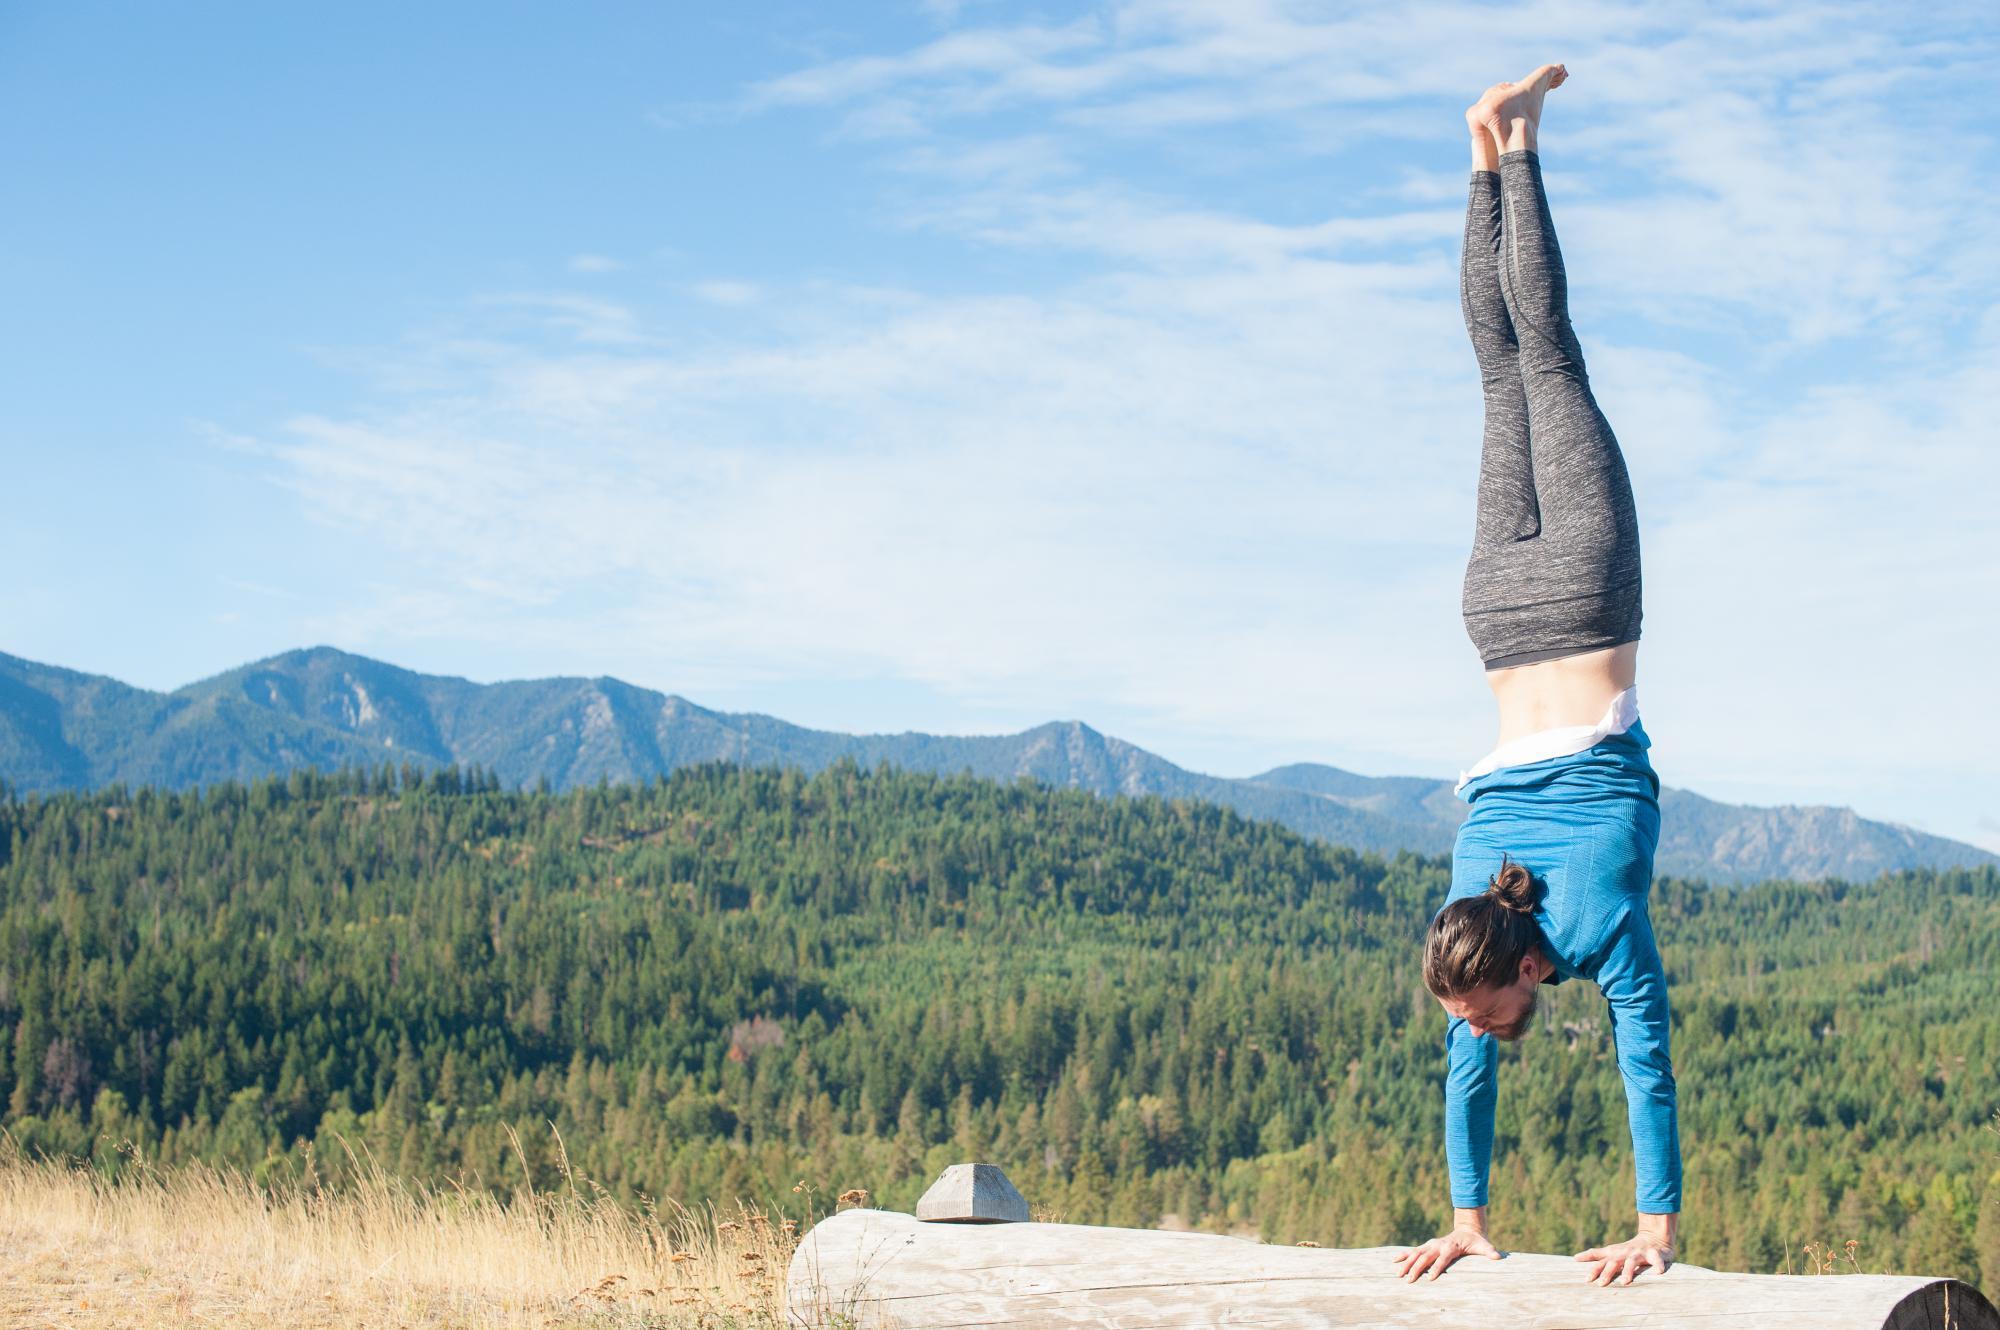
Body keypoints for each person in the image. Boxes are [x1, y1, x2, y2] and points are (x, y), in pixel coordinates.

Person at [1388, 64, 1681, 1290]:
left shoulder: (1592, 917)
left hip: (1570, 596)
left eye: (1479, 1019)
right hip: (1496, 624)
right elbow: (1591, 1059)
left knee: (1539, 362)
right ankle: (1481, 148)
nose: (1477, 1037)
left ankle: (1517, 146)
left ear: (1516, 973)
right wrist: (1464, 1219)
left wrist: (1654, 1234)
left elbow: (1646, 1059)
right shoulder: (1472, 906)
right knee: (1508, 371)